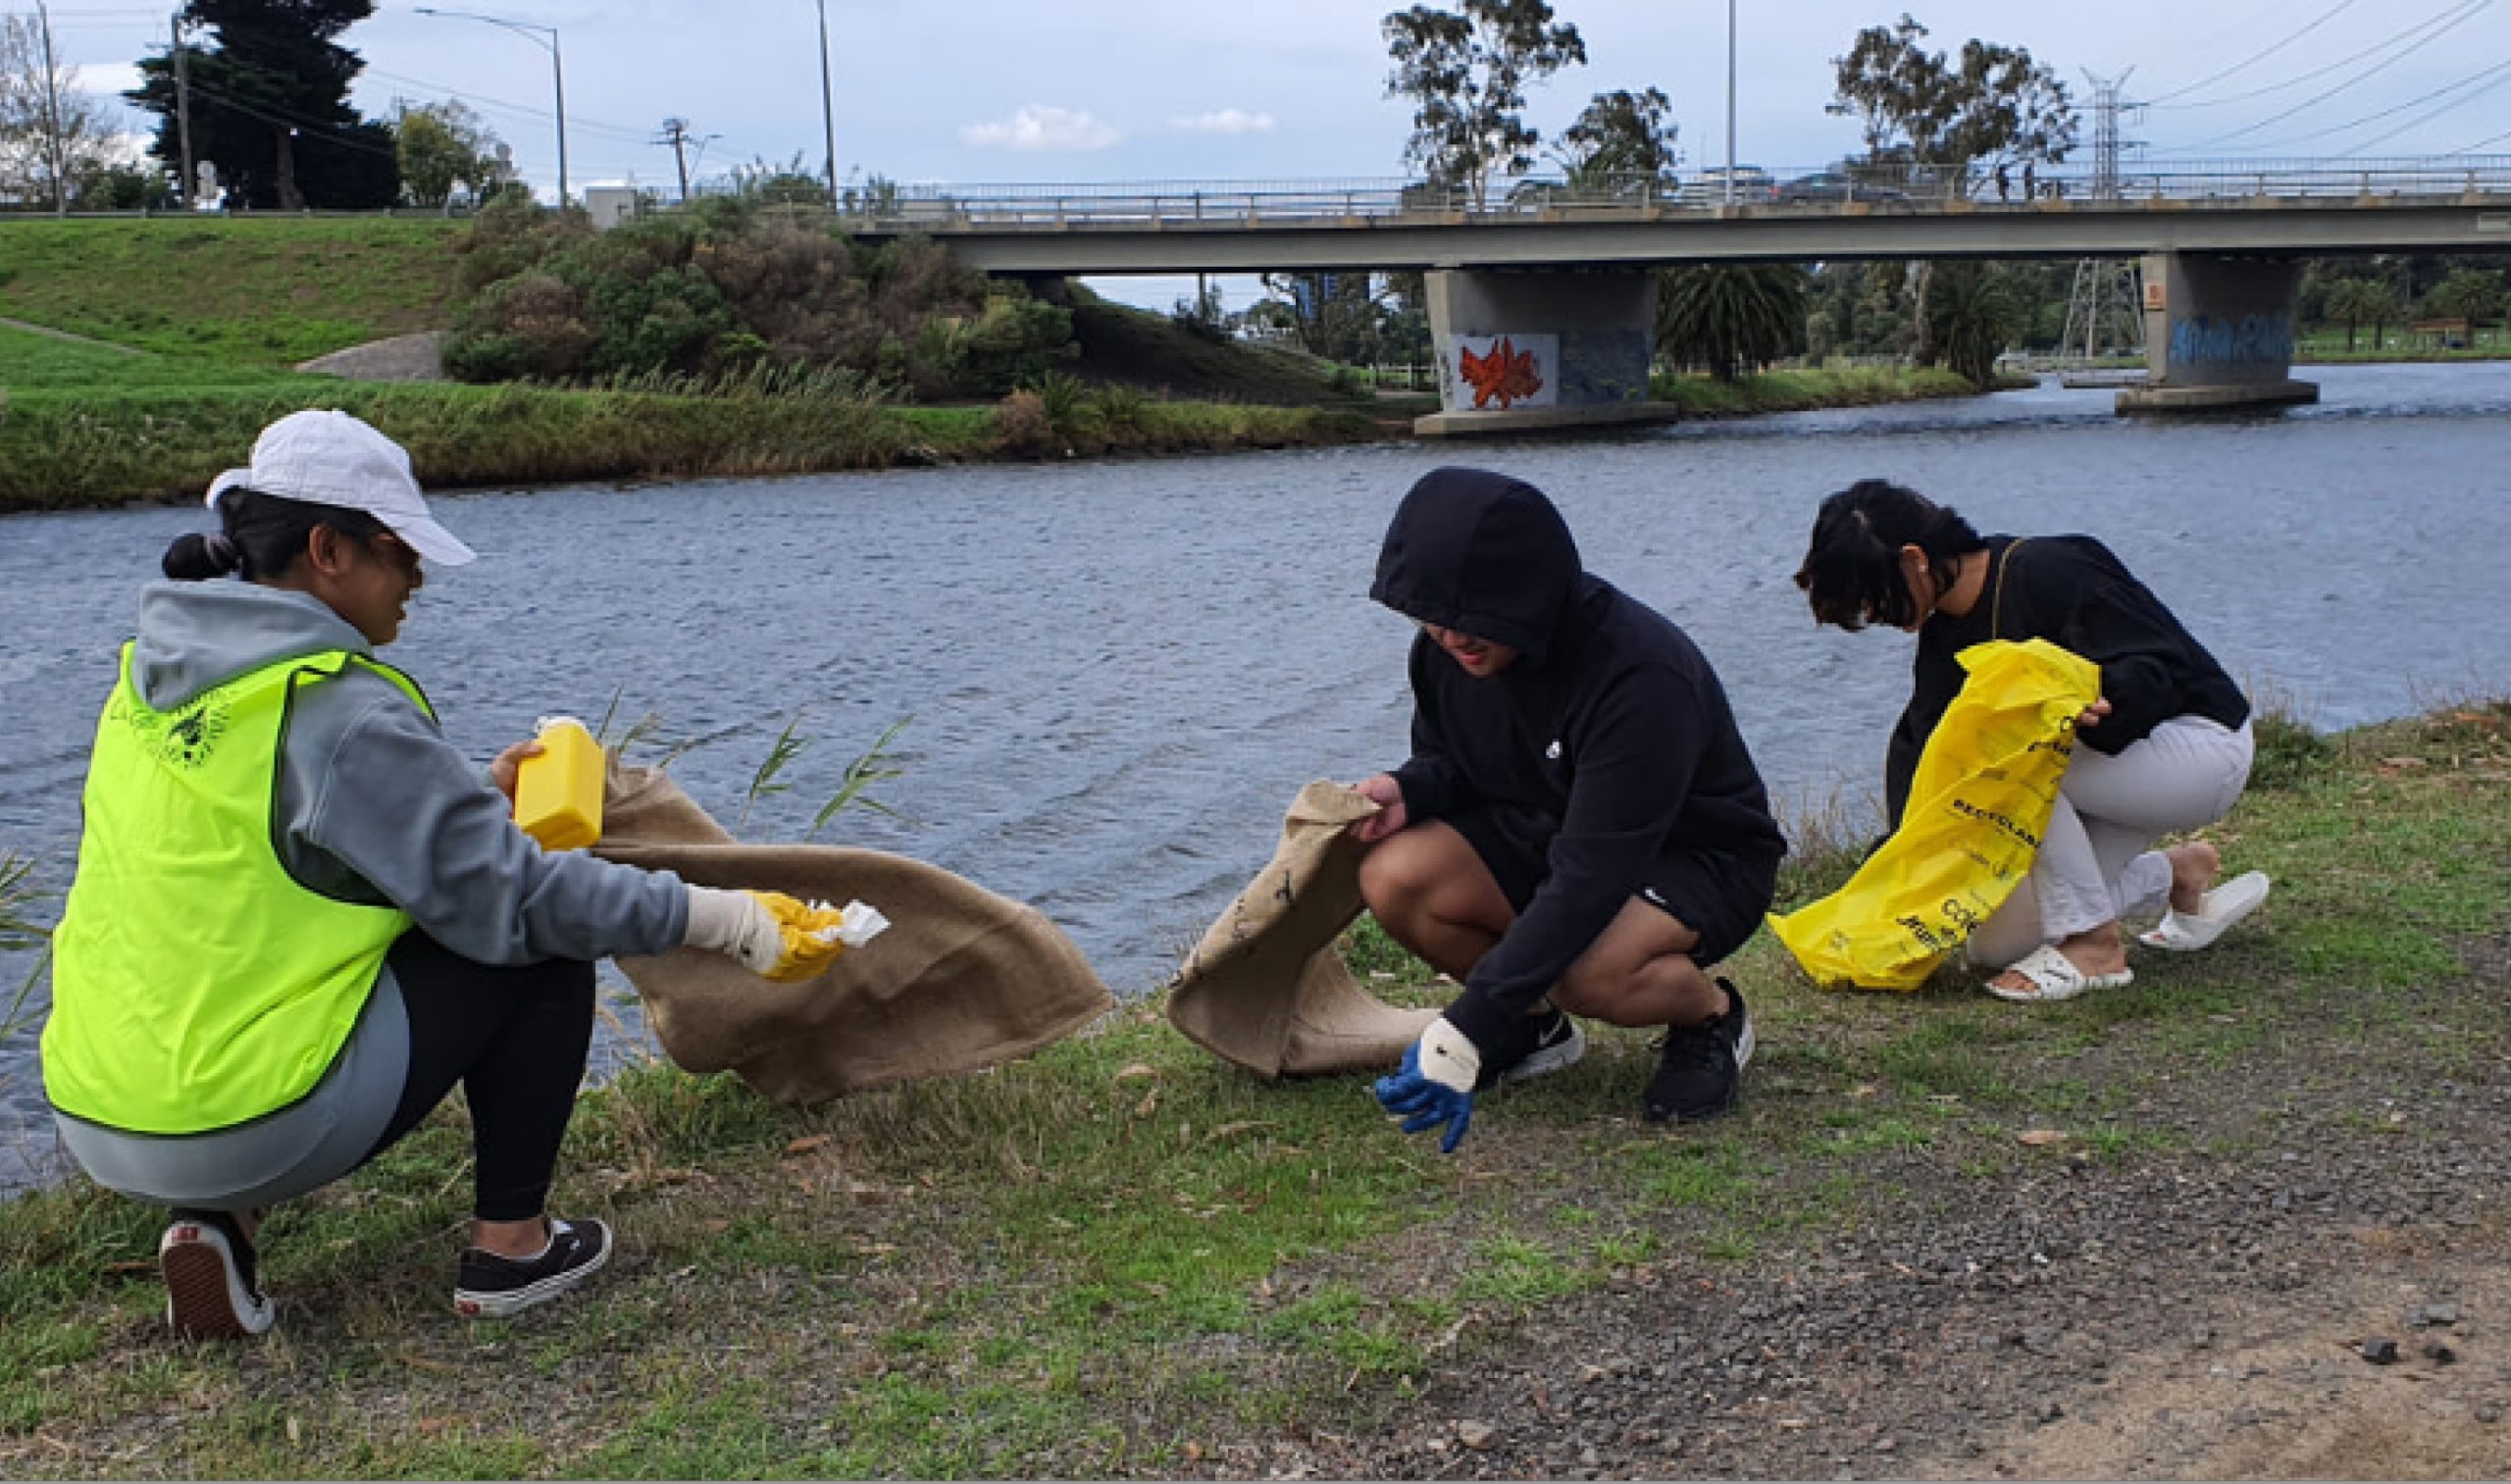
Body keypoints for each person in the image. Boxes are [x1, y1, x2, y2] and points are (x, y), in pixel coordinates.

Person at [42, 410, 855, 1339]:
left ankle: (216, 1224)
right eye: (400, 551)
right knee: (538, 938)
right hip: (252, 1120)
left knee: (239, 968)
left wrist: (470, 795)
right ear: (328, 550)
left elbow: (283, 852)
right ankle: (513, 1247)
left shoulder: (150, 683)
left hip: (100, 1111)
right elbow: (523, 900)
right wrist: (730, 919)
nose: (418, 579)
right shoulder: (337, 705)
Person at [1353, 469, 1785, 1150]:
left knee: (1588, 969)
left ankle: (1712, 1016)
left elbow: (1589, 877)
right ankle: (1532, 1027)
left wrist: (1464, 1027)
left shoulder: (1639, 676)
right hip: (1554, 832)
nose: (1454, 636)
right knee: (1394, 873)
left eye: (1476, 619)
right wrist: (1411, 789)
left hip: (1699, 855)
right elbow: (1454, 762)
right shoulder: (1446, 652)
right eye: (1434, 616)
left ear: (1532, 596)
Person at [1792, 479, 2269, 1002]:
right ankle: (2177, 873)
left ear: (1914, 560)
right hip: (2095, 773)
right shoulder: (1945, 637)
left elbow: (2164, 663)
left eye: (1872, 595)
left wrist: (2105, 699)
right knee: (1998, 947)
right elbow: (1923, 749)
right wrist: (1893, 874)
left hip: (2198, 747)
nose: (1874, 614)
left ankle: (2094, 945)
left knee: (2008, 747)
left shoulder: (2050, 569)